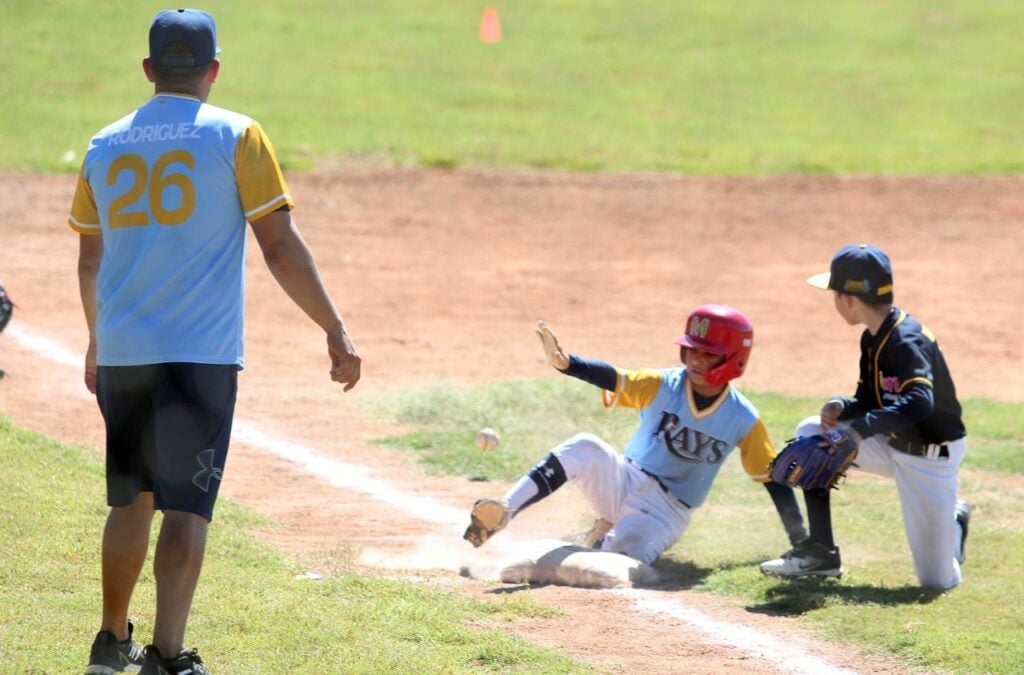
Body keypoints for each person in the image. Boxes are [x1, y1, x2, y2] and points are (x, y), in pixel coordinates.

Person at [71, 9, 362, 674]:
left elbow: (89, 261)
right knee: (185, 508)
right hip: (198, 356)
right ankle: (168, 656)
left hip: (122, 350)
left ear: (148, 70)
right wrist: (335, 327)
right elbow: (280, 247)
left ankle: (110, 642)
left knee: (129, 499)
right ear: (213, 70)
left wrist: (94, 338)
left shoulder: (103, 144)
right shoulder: (237, 135)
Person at [463, 305, 810, 567]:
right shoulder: (662, 384)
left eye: (709, 353)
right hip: (624, 479)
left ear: (734, 358)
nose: (696, 359)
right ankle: (504, 512)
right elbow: (616, 378)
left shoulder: (743, 418)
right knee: (585, 446)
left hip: (666, 511)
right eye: (692, 349)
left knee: (618, 559)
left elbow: (772, 478)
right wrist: (569, 363)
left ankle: (598, 539)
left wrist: (801, 541)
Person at [759, 244, 970, 589]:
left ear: (849, 298)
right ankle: (821, 553)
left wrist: (857, 431)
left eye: (834, 293)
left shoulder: (905, 339)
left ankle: (954, 522)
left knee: (937, 582)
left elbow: (920, 402)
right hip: (893, 444)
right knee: (812, 431)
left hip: (931, 459)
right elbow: (871, 398)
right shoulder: (873, 336)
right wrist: (843, 406)